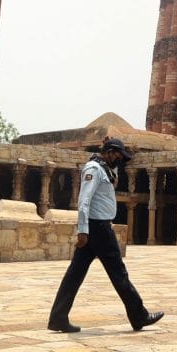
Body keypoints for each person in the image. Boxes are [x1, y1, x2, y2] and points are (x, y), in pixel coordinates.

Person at [47, 137, 164, 333]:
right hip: (98, 229)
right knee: (119, 274)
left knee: (74, 275)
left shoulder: (104, 168)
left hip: (97, 228)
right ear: (109, 152)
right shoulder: (94, 169)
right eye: (118, 155)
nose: (120, 160)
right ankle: (139, 316)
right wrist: (83, 230)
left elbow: (112, 177)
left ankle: (58, 318)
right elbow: (84, 200)